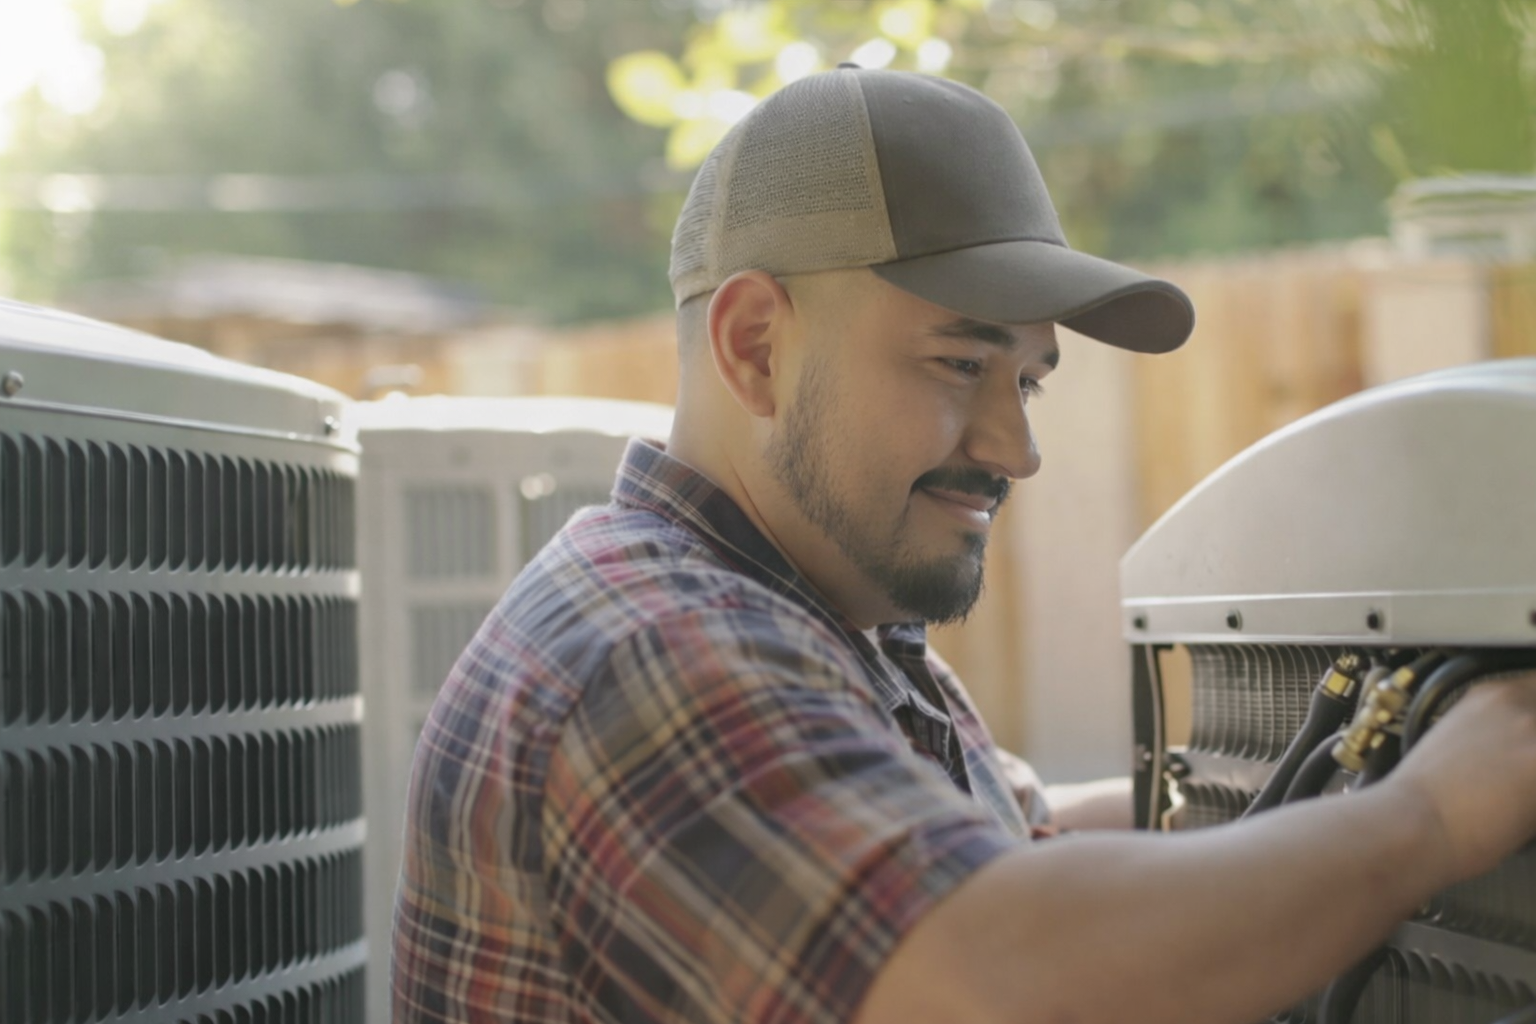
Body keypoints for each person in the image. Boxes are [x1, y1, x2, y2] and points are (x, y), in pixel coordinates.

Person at [391, 67, 1536, 1024]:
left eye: (1027, 380)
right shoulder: (657, 651)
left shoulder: (817, 615)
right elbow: (1003, 970)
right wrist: (1430, 817)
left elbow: (1014, 842)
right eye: (959, 364)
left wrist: (1352, 757)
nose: (1016, 449)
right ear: (754, 346)